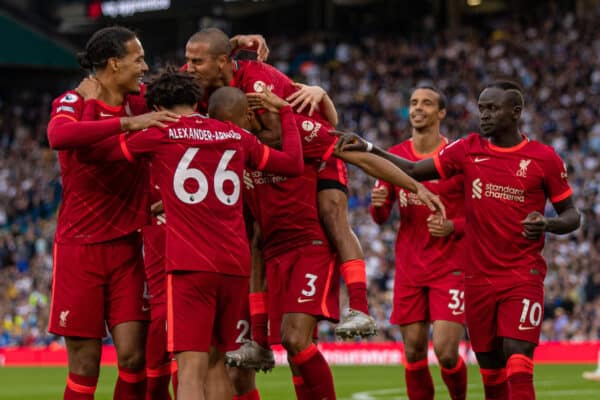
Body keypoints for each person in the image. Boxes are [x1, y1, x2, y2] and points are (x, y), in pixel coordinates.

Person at [336, 80, 581, 400]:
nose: (485, 115)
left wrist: (548, 223)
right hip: (477, 280)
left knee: (518, 359)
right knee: (491, 374)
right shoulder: (467, 149)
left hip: (522, 275)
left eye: (493, 108)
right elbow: (413, 169)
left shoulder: (543, 158)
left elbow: (572, 216)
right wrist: (368, 148)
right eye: (482, 108)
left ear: (516, 112)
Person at [77, 70, 304, 400]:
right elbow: (294, 164)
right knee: (218, 365)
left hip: (190, 266)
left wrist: (90, 105)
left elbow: (90, 153)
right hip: (234, 265)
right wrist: (285, 111)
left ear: (156, 105)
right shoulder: (235, 135)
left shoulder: (160, 132)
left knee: (191, 372)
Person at [215, 87, 445, 400]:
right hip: (274, 254)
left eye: (232, 125)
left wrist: (413, 185)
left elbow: (358, 156)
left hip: (309, 247)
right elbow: (254, 237)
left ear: (248, 113)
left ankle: (360, 306)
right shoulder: (237, 151)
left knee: (294, 337)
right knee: (298, 351)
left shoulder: (296, 132)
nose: (229, 133)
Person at [184, 27, 376, 339]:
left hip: (312, 150)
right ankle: (258, 336)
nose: (189, 68)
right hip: (269, 163)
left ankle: (360, 308)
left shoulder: (261, 79)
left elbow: (332, 127)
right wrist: (232, 43)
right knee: (256, 234)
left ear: (221, 62)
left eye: (196, 62)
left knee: (331, 216)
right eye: (188, 61)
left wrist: (413, 180)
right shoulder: (200, 80)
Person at [46, 26, 179, 400]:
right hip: (79, 249)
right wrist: (128, 124)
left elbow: (187, 87)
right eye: (138, 59)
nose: (145, 66)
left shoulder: (143, 102)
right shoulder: (75, 100)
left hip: (127, 247)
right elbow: (59, 136)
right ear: (114, 62)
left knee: (134, 358)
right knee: (85, 365)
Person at [369, 86, 467, 400]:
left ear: (441, 113)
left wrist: (453, 226)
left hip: (450, 267)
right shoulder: (394, 156)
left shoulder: (457, 157)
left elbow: (482, 217)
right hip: (410, 268)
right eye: (413, 102)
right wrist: (379, 202)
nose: (418, 108)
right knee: (412, 352)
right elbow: (380, 217)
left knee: (446, 352)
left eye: (426, 103)